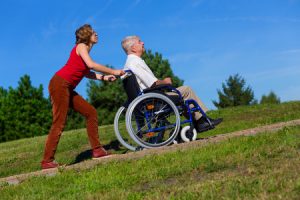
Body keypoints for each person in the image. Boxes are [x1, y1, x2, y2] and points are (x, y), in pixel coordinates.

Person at [41, 24, 124, 169]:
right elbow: (91, 65)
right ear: (86, 35)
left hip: (66, 86)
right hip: (59, 84)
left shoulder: (85, 51)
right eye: (93, 32)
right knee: (59, 122)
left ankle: (97, 150)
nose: (97, 34)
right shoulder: (81, 46)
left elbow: (86, 72)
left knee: (91, 112)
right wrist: (113, 71)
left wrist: (104, 78)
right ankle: (47, 161)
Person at [121, 35, 222, 133]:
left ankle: (201, 121)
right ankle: (201, 121)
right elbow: (152, 83)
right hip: (153, 100)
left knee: (185, 90)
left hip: (148, 98)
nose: (143, 43)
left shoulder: (129, 63)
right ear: (133, 48)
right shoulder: (135, 62)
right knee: (186, 91)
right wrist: (165, 82)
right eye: (139, 41)